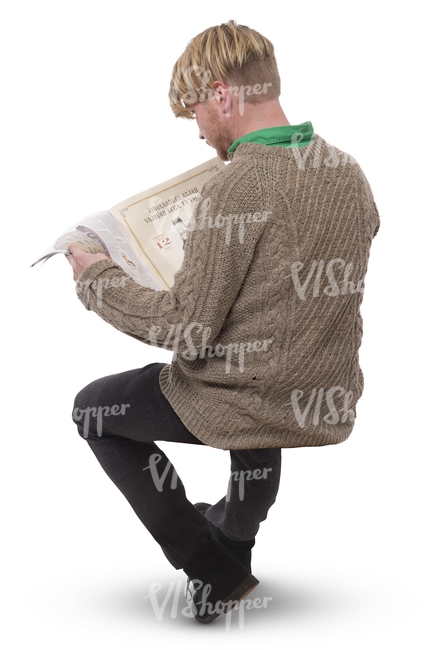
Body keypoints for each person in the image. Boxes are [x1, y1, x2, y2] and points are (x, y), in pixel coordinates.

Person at [67, 20, 380, 624]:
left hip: (245, 395)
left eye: (196, 115)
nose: (201, 133)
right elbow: (296, 294)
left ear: (221, 94)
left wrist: (96, 279)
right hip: (318, 394)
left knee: (92, 410)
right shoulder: (348, 171)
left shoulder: (235, 185)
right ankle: (234, 539)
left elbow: (188, 327)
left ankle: (209, 565)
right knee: (257, 370)